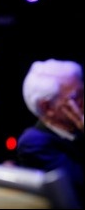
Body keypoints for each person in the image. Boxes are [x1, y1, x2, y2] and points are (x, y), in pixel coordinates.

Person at [16, 58, 84, 207]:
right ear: (48, 107)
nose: (83, 101)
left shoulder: (77, 131)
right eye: (77, 96)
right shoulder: (34, 143)